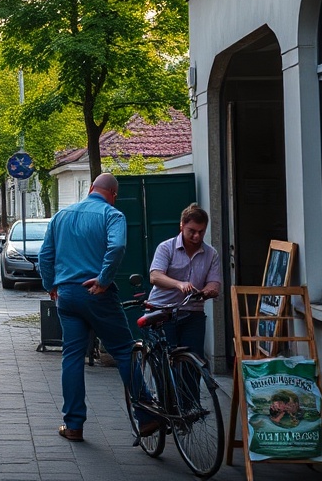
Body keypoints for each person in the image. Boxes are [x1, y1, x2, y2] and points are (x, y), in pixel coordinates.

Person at [38, 172, 159, 442]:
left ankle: (73, 425)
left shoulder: (61, 216)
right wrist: (104, 279)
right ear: (113, 195)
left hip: (67, 295)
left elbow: (45, 255)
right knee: (123, 352)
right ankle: (147, 415)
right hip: (96, 293)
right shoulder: (112, 216)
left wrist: (52, 286)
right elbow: (116, 248)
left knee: (71, 357)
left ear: (91, 187)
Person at [147, 204, 221, 361]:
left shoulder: (211, 254)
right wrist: (179, 284)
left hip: (193, 312)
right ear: (182, 226)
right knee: (166, 361)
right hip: (163, 311)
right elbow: (155, 276)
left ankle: (190, 385)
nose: (197, 236)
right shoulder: (166, 248)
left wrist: (208, 291)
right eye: (192, 231)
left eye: (201, 232)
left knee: (194, 360)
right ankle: (165, 384)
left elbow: (214, 283)